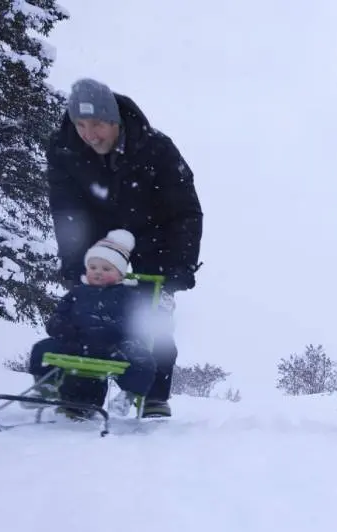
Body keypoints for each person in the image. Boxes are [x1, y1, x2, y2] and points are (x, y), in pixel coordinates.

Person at [45, 77, 203, 418]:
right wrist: (74, 260)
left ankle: (152, 395)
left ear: (115, 121)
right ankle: (81, 396)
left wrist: (181, 266)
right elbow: (66, 211)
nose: (90, 133)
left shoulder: (156, 149)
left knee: (150, 319)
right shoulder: (64, 150)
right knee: (90, 313)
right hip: (100, 240)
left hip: (155, 238)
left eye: (98, 124)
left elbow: (185, 211)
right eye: (81, 124)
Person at [25, 230, 157, 421]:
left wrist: (117, 332)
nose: (98, 272)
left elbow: (136, 324)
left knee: (144, 359)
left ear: (120, 275)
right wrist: (64, 329)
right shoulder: (77, 293)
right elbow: (58, 317)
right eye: (93, 267)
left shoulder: (127, 296)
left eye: (106, 269)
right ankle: (45, 387)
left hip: (114, 347)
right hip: (77, 344)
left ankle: (128, 394)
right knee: (42, 348)